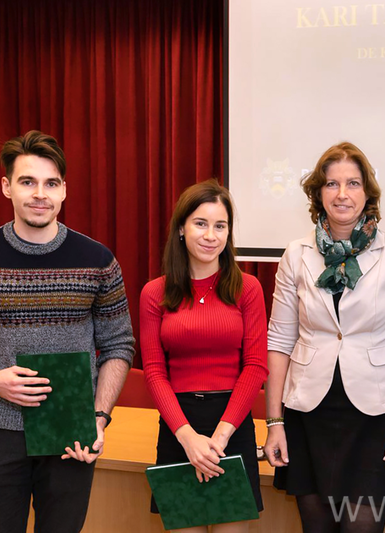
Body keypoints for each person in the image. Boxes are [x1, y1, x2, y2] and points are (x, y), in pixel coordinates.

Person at [0, 130, 135, 533]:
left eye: (51, 183)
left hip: (71, 431)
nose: (40, 194)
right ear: (7, 187)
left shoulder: (98, 260)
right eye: (28, 182)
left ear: (64, 190)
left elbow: (118, 344)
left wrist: (98, 417)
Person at [263, 142, 385, 533]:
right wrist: (274, 422)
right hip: (309, 412)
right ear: (318, 193)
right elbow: (279, 341)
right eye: (332, 184)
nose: (342, 194)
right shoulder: (296, 254)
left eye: (353, 183)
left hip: (376, 415)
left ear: (367, 192)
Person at [139, 179, 268, 532]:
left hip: (233, 426)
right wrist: (188, 438)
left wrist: (220, 437)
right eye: (201, 223)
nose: (211, 235)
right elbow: (154, 371)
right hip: (179, 428)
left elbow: (256, 366)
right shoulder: (154, 293)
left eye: (220, 226)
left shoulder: (248, 288)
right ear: (181, 229)